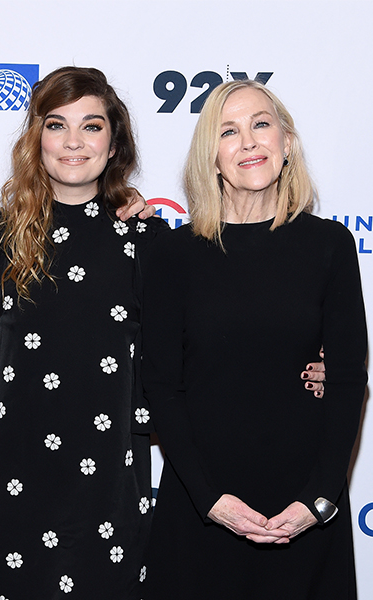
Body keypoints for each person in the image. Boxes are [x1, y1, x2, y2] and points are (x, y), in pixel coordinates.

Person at [141, 79, 367, 599]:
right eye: (228, 131)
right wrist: (210, 499)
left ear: (286, 143)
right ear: (211, 157)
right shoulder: (174, 255)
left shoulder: (330, 246)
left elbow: (350, 379)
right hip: (200, 507)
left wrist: (319, 501)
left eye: (261, 124)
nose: (248, 142)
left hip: (304, 508)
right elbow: (160, 386)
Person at [0, 66, 169, 600]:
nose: (74, 142)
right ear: (36, 137)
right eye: (57, 125)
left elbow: (177, 350)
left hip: (110, 477)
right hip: (17, 470)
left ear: (114, 140)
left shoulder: (146, 238)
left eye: (92, 126)